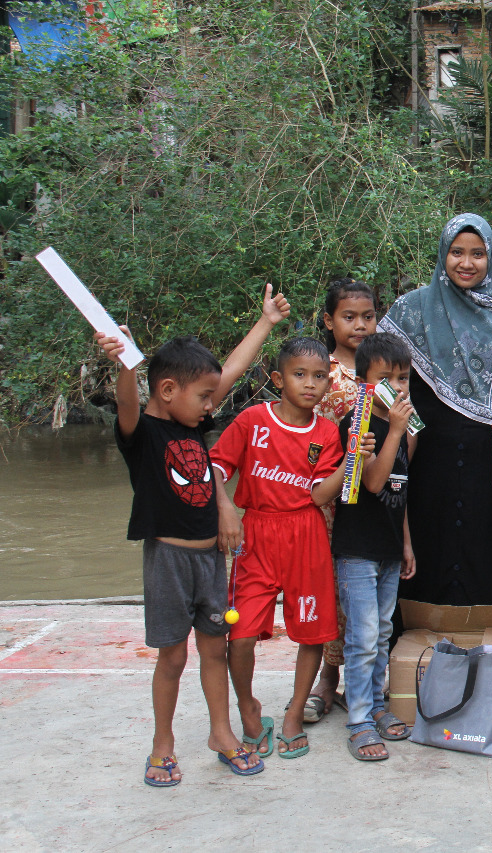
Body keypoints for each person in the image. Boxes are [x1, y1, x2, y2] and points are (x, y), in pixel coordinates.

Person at [97, 282, 290, 785]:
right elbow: (126, 405)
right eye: (203, 397)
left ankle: (221, 733)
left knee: (213, 649)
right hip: (168, 559)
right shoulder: (144, 436)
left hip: (211, 561)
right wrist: (125, 365)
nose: (213, 405)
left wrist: (266, 322)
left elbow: (227, 371)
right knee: (173, 654)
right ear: (167, 391)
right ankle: (163, 743)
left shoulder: (193, 426)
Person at [213, 337, 362, 759]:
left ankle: (295, 712)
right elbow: (216, 467)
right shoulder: (252, 421)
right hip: (257, 534)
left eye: (319, 377)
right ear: (278, 379)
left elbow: (320, 496)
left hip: (308, 537)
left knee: (312, 631)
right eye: (300, 375)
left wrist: (353, 458)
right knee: (240, 635)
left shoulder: (327, 432)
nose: (310, 384)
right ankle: (248, 708)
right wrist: (226, 509)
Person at [378, 213, 492, 607]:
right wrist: (407, 429)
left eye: (478, 253)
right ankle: (416, 652)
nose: (467, 263)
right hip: (426, 460)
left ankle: (489, 652)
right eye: (457, 252)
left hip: (491, 462)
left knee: (487, 552)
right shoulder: (410, 312)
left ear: (491, 258)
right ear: (442, 255)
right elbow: (380, 378)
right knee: (427, 551)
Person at [332, 332, 418, 761]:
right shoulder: (358, 423)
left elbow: (399, 492)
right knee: (363, 637)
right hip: (356, 549)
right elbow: (374, 481)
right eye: (386, 379)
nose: (398, 387)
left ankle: (377, 704)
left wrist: (406, 545)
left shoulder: (404, 430)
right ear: (364, 383)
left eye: (403, 378)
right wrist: (396, 430)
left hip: (386, 548)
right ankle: (360, 720)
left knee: (382, 632)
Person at [307, 277, 382, 723]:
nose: (359, 326)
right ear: (329, 320)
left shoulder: (383, 367)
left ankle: (371, 679)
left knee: (373, 591)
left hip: (377, 494)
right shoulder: (319, 370)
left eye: (367, 317)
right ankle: (327, 678)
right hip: (332, 494)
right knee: (333, 589)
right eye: (348, 317)